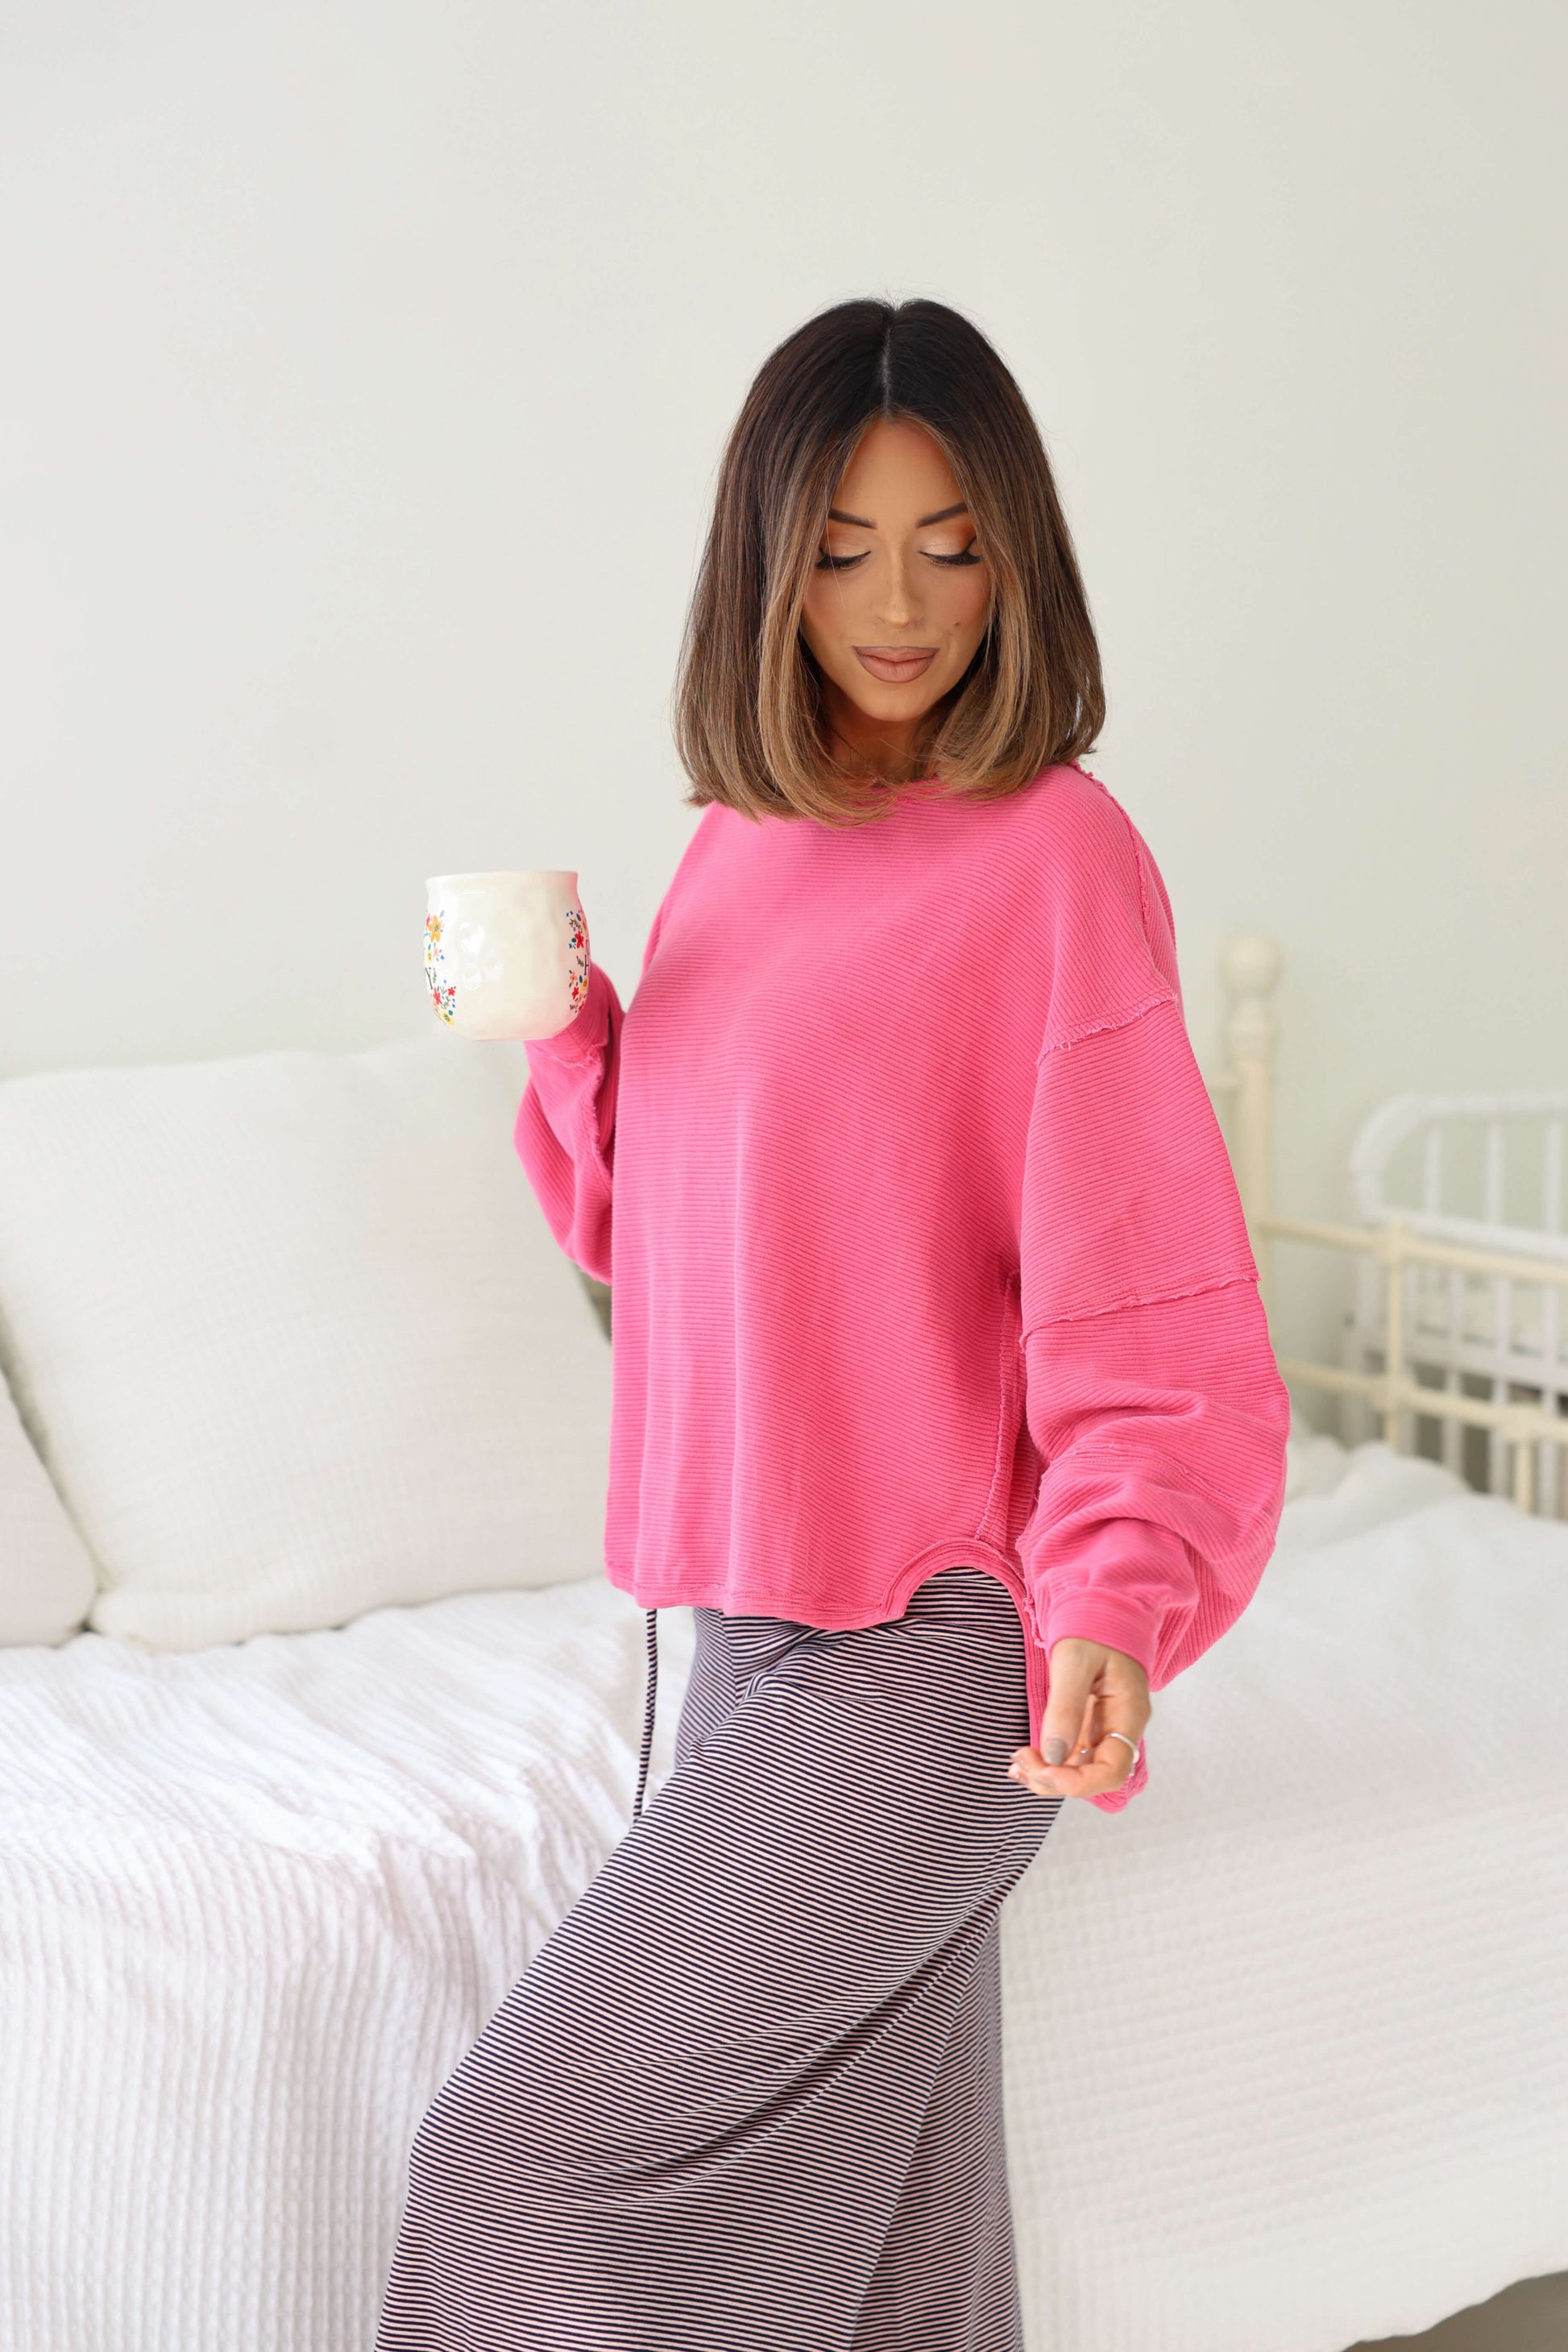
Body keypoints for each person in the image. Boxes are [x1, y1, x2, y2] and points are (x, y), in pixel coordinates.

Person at [375, 296, 1291, 2352]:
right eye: (849, 545)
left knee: (517, 2158)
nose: (903, 601)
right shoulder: (736, 844)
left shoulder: (1060, 859)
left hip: (943, 1636)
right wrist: (574, 1037)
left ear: (1017, 551)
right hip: (745, 1625)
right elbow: (668, 1230)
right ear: (767, 558)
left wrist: (1121, 1596)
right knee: (887, 2253)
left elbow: (1149, 1298)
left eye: (951, 541)